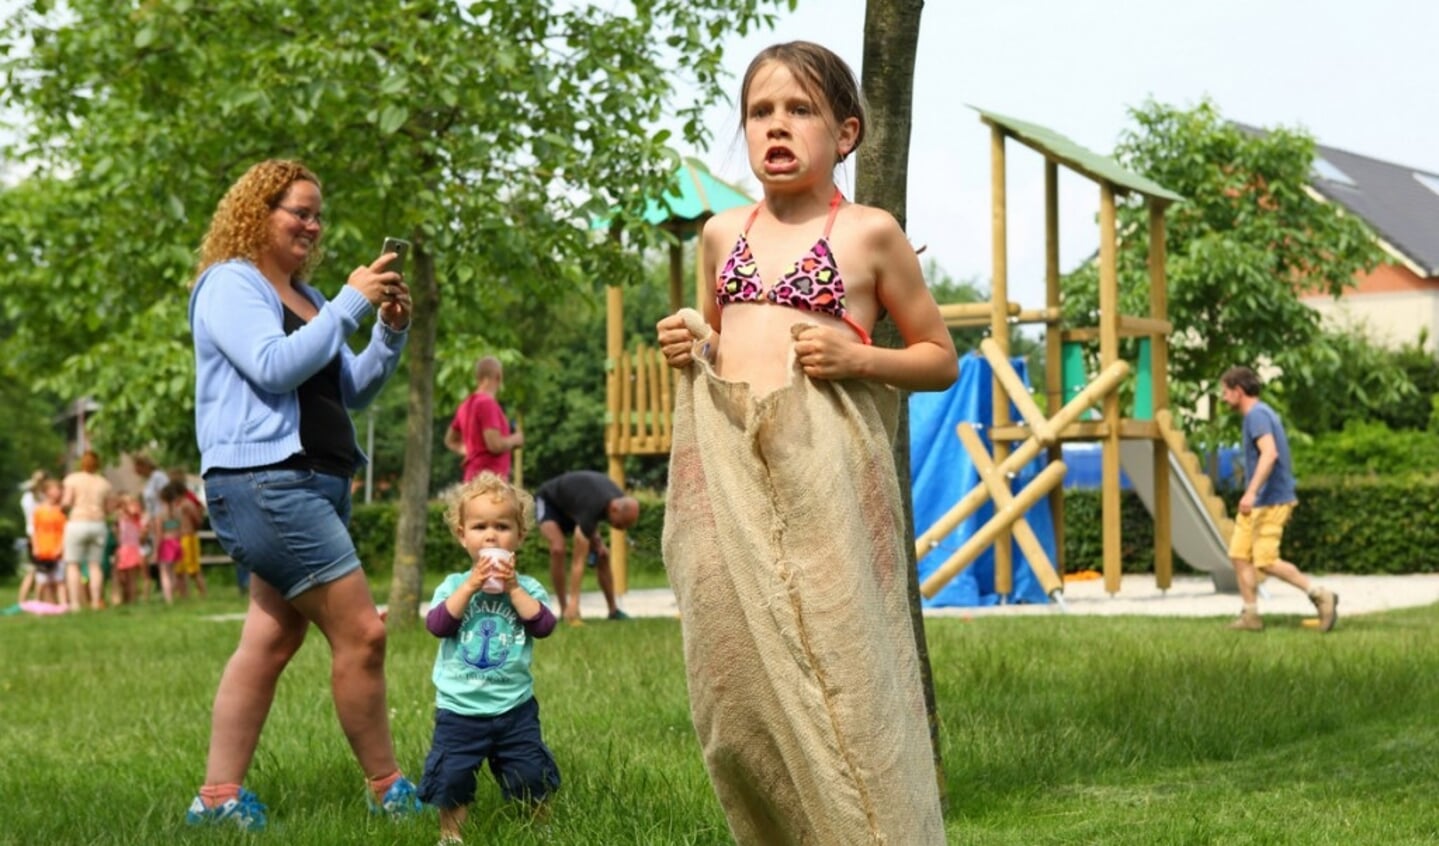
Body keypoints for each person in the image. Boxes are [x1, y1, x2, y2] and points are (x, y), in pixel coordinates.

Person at [654, 41, 955, 844]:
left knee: (840, 668)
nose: (776, 128)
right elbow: (721, 348)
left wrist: (860, 356)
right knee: (737, 676)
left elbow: (939, 357)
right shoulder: (722, 233)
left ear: (845, 132)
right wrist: (693, 343)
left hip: (822, 477)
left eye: (799, 111)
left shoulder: (867, 233)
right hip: (731, 479)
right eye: (760, 112)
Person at [183, 159, 418, 831]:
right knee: (364, 633)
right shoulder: (229, 284)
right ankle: (388, 787)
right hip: (267, 485)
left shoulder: (307, 298)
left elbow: (348, 390)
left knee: (270, 638)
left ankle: (217, 797)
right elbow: (272, 364)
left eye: (318, 216)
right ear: (258, 212)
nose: (313, 226)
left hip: (312, 481)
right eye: (300, 212)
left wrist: (387, 331)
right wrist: (350, 303)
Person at [419, 472, 560, 844]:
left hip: (513, 707)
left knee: (530, 771)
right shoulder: (452, 585)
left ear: (520, 536)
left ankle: (541, 825)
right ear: (462, 535)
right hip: (459, 709)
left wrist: (513, 588)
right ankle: (451, 834)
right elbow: (438, 625)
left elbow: (544, 625)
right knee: (452, 776)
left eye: (502, 526)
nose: (491, 536)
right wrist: (469, 586)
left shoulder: (528, 588)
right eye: (480, 527)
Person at [1219, 366, 1338, 632]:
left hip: (1270, 500)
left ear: (1238, 392)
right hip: (1259, 501)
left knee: (1266, 561)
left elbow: (1269, 454)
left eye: (1226, 392)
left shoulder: (1257, 415)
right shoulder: (1258, 415)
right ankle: (1250, 615)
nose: (1223, 398)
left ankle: (1319, 593)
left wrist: (1250, 492)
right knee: (1239, 554)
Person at [532, 470, 640, 626]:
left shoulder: (615, 499)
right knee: (558, 548)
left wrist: (598, 544)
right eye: (620, 524)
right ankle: (566, 610)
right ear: (614, 509)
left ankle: (613, 610)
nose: (621, 529)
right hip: (549, 502)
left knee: (602, 554)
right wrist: (575, 601)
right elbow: (578, 561)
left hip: (574, 509)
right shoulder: (594, 505)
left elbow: (588, 517)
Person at [446, 356, 523, 482]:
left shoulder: (465, 405)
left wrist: (471, 451)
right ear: (499, 377)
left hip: (473, 478)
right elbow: (494, 445)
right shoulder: (487, 403)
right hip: (490, 480)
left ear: (477, 378)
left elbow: (450, 440)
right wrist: (516, 439)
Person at [61, 450, 115, 612]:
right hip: (98, 524)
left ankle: (76, 604)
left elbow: (66, 502)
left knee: (73, 564)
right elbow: (108, 509)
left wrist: (64, 511)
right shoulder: (104, 483)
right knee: (95, 565)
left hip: (77, 522)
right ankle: (95, 601)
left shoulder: (72, 479)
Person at [162, 480, 208, 599]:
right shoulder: (176, 505)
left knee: (193, 569)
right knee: (179, 570)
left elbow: (197, 519)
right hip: (179, 538)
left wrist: (192, 528)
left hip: (189, 537)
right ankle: (184, 596)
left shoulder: (187, 503)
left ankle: (203, 594)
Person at [30, 479, 67, 606]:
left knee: (59, 579)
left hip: (57, 549)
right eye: (57, 489)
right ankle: (38, 604)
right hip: (43, 549)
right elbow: (35, 531)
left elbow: (64, 531)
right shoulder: (39, 511)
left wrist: (60, 547)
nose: (60, 492)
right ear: (47, 492)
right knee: (42, 581)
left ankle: (63, 605)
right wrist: (35, 547)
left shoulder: (61, 511)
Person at [14, 470, 45, 606]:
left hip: (34, 534)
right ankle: (29, 600)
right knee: (37, 570)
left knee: (35, 570)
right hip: (38, 535)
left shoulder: (29, 497)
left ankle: (26, 599)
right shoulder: (37, 498)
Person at [112, 494, 147, 605]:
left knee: (132, 578)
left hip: (132, 549)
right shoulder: (120, 517)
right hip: (123, 549)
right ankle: (123, 598)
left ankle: (132, 599)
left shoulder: (136, 517)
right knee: (122, 577)